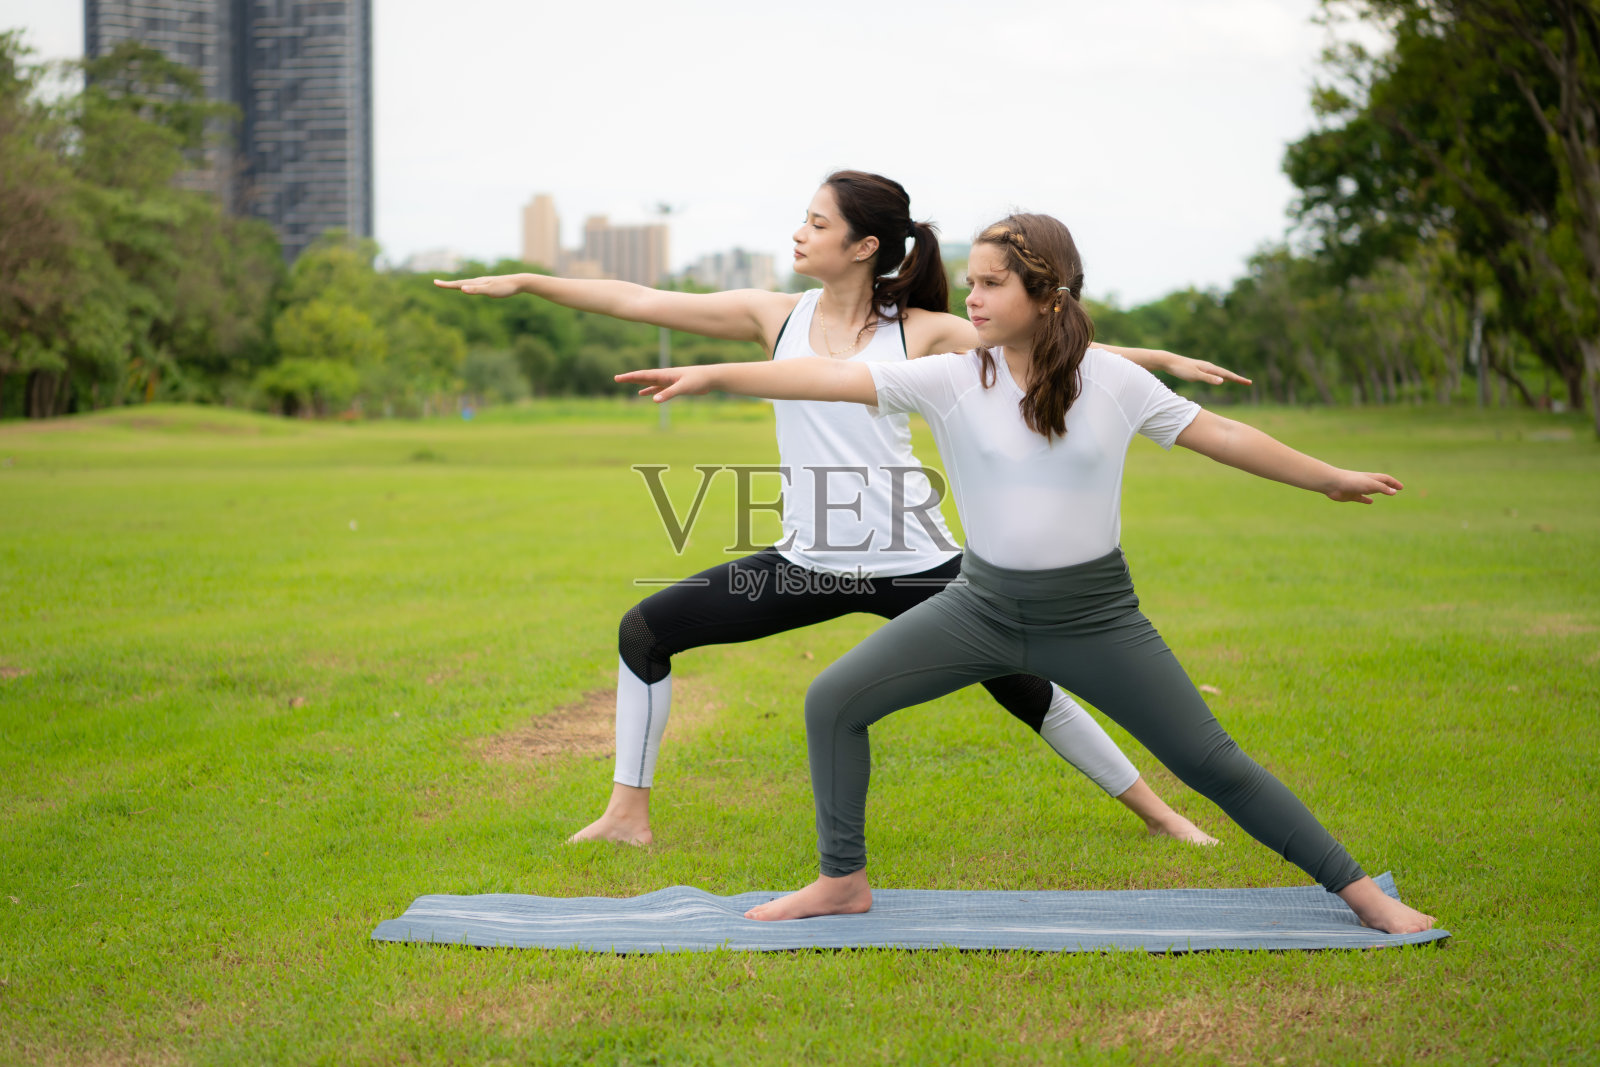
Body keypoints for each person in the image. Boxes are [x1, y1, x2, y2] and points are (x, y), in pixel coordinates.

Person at [614, 211, 1435, 935]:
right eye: (969, 281)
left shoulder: (1113, 380)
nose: (971, 297)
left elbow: (1221, 435)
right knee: (832, 700)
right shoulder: (949, 378)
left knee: (1211, 762)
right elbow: (829, 376)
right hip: (979, 606)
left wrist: (1328, 476)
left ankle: (1361, 893)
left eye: (992, 283)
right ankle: (842, 879)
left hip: (1096, 617)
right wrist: (717, 374)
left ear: (1048, 293)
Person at [437, 171, 1245, 850]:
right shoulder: (772, 315)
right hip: (807, 563)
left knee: (1026, 685)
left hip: (918, 565)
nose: (800, 233)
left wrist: (1160, 360)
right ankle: (625, 814)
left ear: (863, 246)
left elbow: (1055, 346)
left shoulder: (923, 331)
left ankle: (1163, 815)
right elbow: (639, 297)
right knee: (645, 630)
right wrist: (527, 281)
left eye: (817, 222)